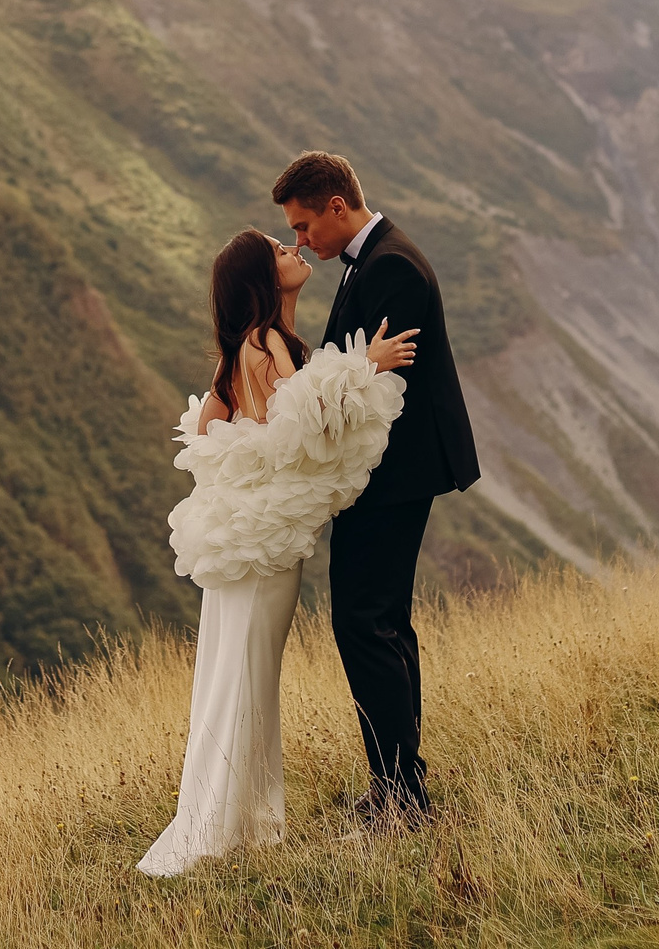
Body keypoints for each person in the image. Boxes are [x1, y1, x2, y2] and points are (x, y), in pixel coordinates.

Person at [137, 228, 417, 877]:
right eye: (280, 251)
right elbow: (303, 424)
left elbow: (215, 421)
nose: (294, 250)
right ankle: (219, 827)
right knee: (245, 673)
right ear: (265, 278)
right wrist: (365, 366)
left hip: (255, 543)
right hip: (262, 552)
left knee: (239, 671)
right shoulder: (263, 343)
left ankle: (241, 819)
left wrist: (249, 462)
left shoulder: (259, 344)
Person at [272, 150, 478, 826]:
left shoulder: (390, 265)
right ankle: (402, 780)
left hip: (392, 474)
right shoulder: (377, 255)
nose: (302, 241)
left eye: (304, 226)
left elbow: (374, 391)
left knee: (362, 623)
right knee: (384, 623)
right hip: (390, 473)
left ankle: (400, 795)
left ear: (337, 205)